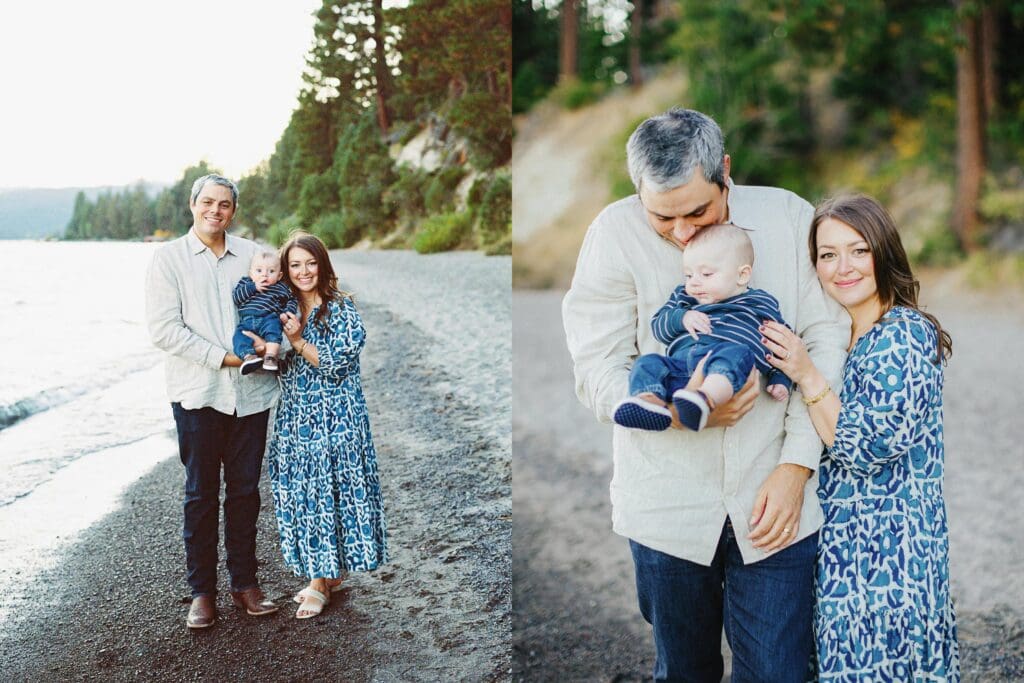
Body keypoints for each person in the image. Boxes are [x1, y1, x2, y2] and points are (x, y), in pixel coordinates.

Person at [562, 108, 850, 681]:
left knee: (777, 672)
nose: (684, 232)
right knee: (684, 671)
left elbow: (825, 338)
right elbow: (596, 362)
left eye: (698, 210)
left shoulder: (790, 217)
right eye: (662, 217)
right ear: (636, 190)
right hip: (665, 504)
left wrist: (796, 468)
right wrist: (675, 414)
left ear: (724, 170)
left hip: (775, 502)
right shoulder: (612, 234)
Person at [759, 194, 960, 680]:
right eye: (827, 254)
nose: (842, 267)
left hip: (892, 557)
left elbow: (863, 448)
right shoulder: (838, 334)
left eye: (858, 250)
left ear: (883, 252)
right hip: (839, 548)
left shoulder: (905, 334)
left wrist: (807, 375)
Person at [145, 174, 279, 629]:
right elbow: (164, 330)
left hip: (252, 395)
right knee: (200, 495)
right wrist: (224, 358)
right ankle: (202, 593)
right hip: (197, 395)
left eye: (224, 204)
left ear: (233, 210)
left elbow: (282, 299)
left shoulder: (254, 254)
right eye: (207, 202)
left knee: (245, 492)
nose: (215, 211)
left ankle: (245, 584)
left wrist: (277, 339)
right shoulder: (169, 259)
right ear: (192, 205)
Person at [258, 232, 388, 619]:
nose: (303, 271)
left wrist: (297, 340)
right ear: (285, 270)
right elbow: (270, 359)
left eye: (310, 263)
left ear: (323, 265)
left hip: (339, 416)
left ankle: (320, 581)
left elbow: (334, 363)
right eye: (295, 265)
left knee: (330, 492)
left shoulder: (341, 308)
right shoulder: (279, 309)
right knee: (305, 494)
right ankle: (326, 575)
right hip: (297, 416)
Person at [613, 222, 793, 433]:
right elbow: (658, 327)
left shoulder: (759, 303)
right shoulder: (684, 298)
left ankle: (703, 398)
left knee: (738, 352)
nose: (694, 283)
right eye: (689, 275)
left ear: (742, 275)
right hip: (680, 368)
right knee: (647, 362)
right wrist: (681, 317)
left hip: (726, 370)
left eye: (706, 274)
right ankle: (650, 402)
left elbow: (784, 343)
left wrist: (781, 378)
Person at [232, 250, 299, 375]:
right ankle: (248, 357)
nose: (264, 275)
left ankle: (270, 357)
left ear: (279, 276)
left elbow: (291, 299)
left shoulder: (280, 287)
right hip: (247, 320)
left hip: (269, 318)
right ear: (251, 273)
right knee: (239, 336)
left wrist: (287, 312)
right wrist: (253, 287)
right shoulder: (247, 283)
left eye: (271, 271)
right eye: (259, 271)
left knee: (274, 332)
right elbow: (237, 298)